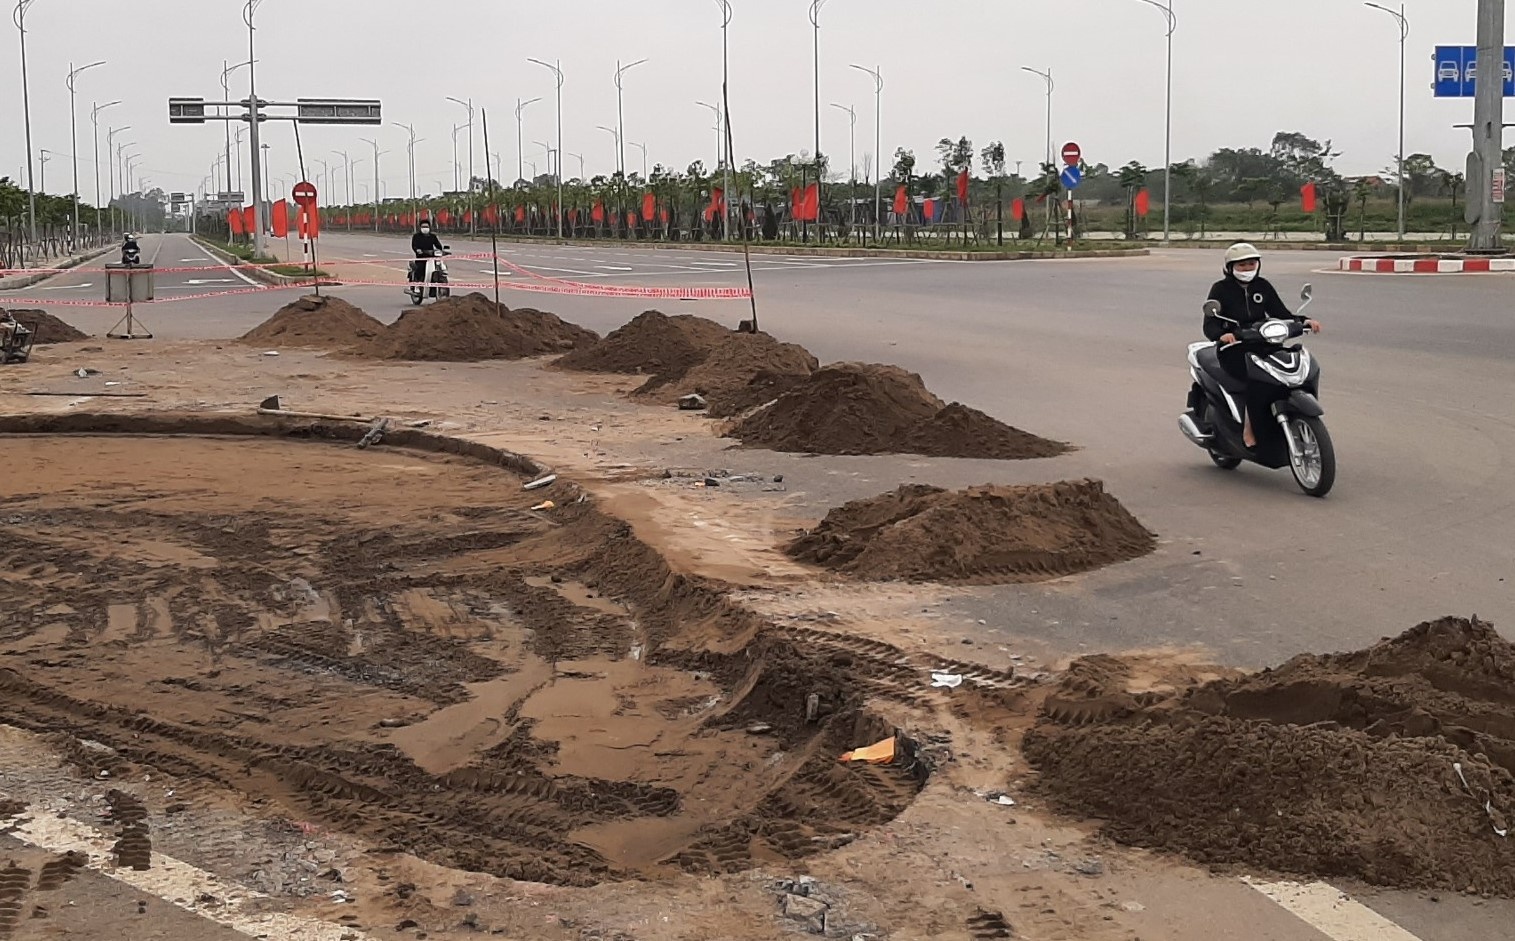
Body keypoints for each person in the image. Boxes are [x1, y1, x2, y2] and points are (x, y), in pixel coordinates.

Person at [1203, 243, 1322, 448]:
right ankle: (1249, 428)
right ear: (1230, 267)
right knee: (1256, 380)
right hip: (1234, 348)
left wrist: (1304, 321)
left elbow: (1280, 313)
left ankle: (1291, 412)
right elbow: (1210, 324)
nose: (1247, 269)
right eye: (1242, 265)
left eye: (1251, 264)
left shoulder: (1262, 286)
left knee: (1292, 368)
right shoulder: (1220, 289)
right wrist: (1222, 335)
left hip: (1263, 343)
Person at [410, 219, 444, 284]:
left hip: (431, 258)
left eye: (426, 226)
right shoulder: (416, 236)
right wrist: (417, 250)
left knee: (440, 268)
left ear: (429, 227)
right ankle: (418, 284)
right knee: (420, 270)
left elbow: (438, 245)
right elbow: (414, 246)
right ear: (420, 227)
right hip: (421, 258)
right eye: (423, 227)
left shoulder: (433, 236)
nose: (425, 228)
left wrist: (440, 250)